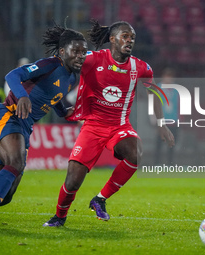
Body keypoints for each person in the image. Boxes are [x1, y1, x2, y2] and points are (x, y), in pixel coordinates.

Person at [0, 24, 88, 228]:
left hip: (25, 126)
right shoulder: (50, 64)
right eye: (76, 51)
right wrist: (22, 96)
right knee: (16, 162)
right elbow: (12, 76)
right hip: (9, 114)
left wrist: (64, 111)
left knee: (5, 195)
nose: (80, 56)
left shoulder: (72, 77)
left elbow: (53, 96)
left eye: (83, 52)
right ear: (62, 51)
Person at [43, 20, 174, 227]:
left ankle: (100, 199)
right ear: (112, 39)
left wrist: (161, 122)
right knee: (73, 181)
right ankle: (59, 216)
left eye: (132, 37)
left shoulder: (140, 68)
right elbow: (66, 61)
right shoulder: (92, 59)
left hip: (119, 126)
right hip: (92, 126)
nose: (129, 40)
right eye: (125, 36)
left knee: (136, 152)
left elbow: (155, 93)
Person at [154, 68, 179, 165]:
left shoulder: (175, 90)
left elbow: (179, 104)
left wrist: (179, 118)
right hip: (162, 120)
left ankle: (170, 163)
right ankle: (156, 163)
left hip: (173, 120)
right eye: (167, 77)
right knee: (159, 142)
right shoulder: (158, 88)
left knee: (172, 143)